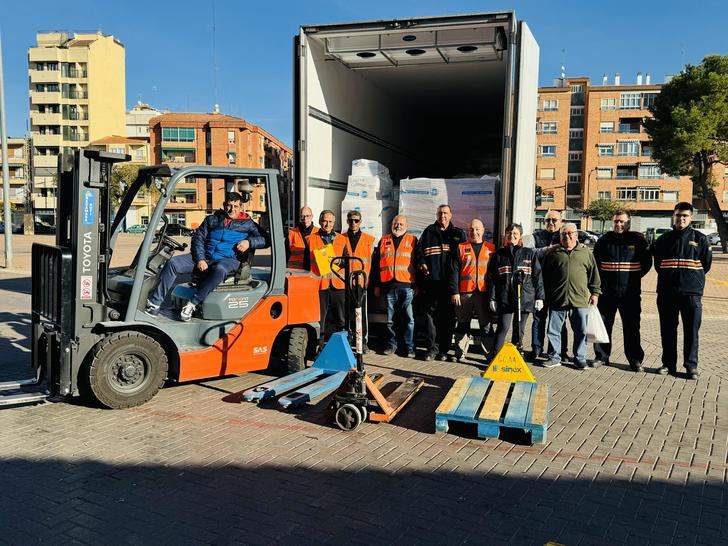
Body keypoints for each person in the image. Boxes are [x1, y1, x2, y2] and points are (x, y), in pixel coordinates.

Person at [145, 192, 269, 321]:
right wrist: (200, 259)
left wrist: (249, 242)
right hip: (205, 256)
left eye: (236, 206)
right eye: (229, 205)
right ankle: (155, 303)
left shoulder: (248, 224)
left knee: (220, 270)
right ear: (224, 205)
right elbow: (198, 239)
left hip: (228, 259)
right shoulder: (212, 220)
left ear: (241, 207)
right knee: (173, 264)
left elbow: (266, 240)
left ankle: (192, 303)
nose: (232, 209)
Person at [652, 202, 712, 379]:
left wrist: (691, 280)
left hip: (691, 293)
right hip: (667, 293)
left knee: (691, 331)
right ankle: (668, 364)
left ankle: (691, 366)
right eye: (678, 215)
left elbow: (706, 265)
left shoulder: (700, 239)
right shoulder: (664, 239)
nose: (681, 219)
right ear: (674, 216)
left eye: (685, 216)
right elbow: (658, 265)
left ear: (691, 217)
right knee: (668, 330)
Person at [592, 211, 652, 371]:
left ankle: (635, 360)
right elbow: (595, 265)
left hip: (630, 294)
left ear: (629, 223)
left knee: (632, 327)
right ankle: (601, 356)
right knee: (604, 325)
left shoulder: (638, 240)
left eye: (622, 222)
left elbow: (647, 263)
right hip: (607, 293)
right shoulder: (604, 241)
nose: (619, 224)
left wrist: (632, 279)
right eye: (616, 221)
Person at [540, 223, 601, 369]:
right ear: (560, 237)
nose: (567, 236)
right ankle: (554, 357)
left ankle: (580, 358)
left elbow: (594, 274)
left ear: (576, 235)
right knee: (554, 330)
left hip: (579, 299)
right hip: (557, 298)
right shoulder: (553, 253)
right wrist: (544, 296)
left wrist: (595, 293)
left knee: (580, 331)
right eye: (563, 234)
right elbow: (544, 276)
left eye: (570, 233)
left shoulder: (586, 253)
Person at [416, 204, 466, 361]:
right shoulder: (429, 231)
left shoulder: (457, 234)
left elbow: (464, 256)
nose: (442, 216)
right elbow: (418, 251)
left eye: (445, 213)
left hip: (449, 285)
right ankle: (432, 349)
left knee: (448, 319)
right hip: (431, 283)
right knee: (430, 318)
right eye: (439, 213)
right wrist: (422, 262)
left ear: (451, 215)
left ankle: (444, 350)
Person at [487, 223, 544, 355]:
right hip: (505, 298)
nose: (511, 236)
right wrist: (492, 298)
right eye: (509, 233)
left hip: (524, 298)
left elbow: (538, 277)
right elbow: (492, 280)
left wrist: (540, 297)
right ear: (505, 236)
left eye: (515, 234)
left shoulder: (529, 254)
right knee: (503, 327)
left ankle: (515, 356)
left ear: (520, 236)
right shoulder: (498, 256)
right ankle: (495, 354)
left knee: (519, 329)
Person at [448, 219, 496, 362]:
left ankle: (489, 354)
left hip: (483, 294)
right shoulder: (461, 247)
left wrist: (493, 296)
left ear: (483, 230)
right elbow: (454, 271)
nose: (474, 232)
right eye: (471, 230)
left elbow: (494, 273)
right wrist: (454, 291)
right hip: (464, 294)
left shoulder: (491, 248)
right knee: (462, 324)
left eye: (477, 229)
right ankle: (459, 353)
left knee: (486, 325)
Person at [372, 215, 418, 358]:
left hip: (407, 286)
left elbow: (418, 263)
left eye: (401, 223)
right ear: (391, 224)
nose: (398, 226)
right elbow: (376, 265)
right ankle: (392, 345)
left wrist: (417, 285)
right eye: (395, 223)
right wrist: (377, 285)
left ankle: (409, 347)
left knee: (409, 320)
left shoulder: (413, 241)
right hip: (389, 286)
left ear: (407, 226)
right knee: (390, 320)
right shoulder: (384, 240)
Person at [529, 210, 568, 362]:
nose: (551, 223)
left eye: (554, 220)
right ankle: (536, 349)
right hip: (539, 285)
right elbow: (531, 253)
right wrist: (547, 249)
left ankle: (560, 352)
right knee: (538, 319)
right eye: (548, 220)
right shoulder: (536, 236)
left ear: (561, 222)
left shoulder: (565, 235)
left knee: (558, 321)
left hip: (558, 287)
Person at [307, 209, 347, 344]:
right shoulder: (311, 239)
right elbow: (306, 264)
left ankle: (341, 346)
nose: (327, 224)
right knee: (319, 319)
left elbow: (347, 261)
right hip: (319, 286)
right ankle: (319, 347)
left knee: (340, 319)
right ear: (319, 221)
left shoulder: (342, 239)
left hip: (338, 285)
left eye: (330, 222)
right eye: (325, 221)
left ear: (334, 222)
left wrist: (338, 262)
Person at [341, 210, 375, 350]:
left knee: (361, 313)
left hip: (361, 282)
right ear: (347, 222)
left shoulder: (369, 240)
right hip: (344, 281)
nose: (353, 223)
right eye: (350, 220)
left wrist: (369, 282)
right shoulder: (340, 238)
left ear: (360, 222)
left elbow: (373, 262)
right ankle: (348, 339)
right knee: (346, 313)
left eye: (356, 220)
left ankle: (362, 340)